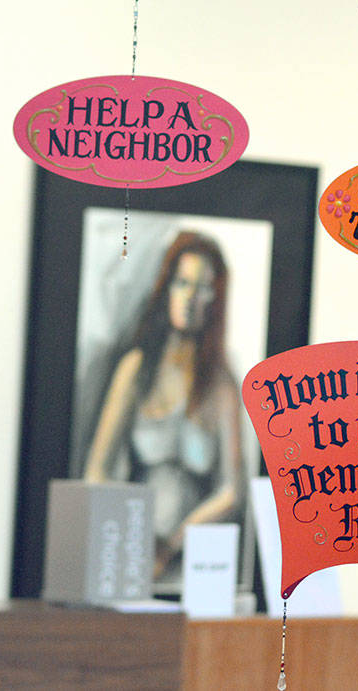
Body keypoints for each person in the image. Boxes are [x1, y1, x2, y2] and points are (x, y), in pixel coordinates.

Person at [83, 231, 245, 584]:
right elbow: (96, 472)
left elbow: (232, 491)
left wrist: (172, 545)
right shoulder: (136, 369)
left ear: (214, 300)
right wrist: (135, 538)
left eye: (202, 288)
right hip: (127, 557)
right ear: (166, 287)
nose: (189, 298)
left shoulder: (220, 385)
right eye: (181, 283)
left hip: (194, 566)